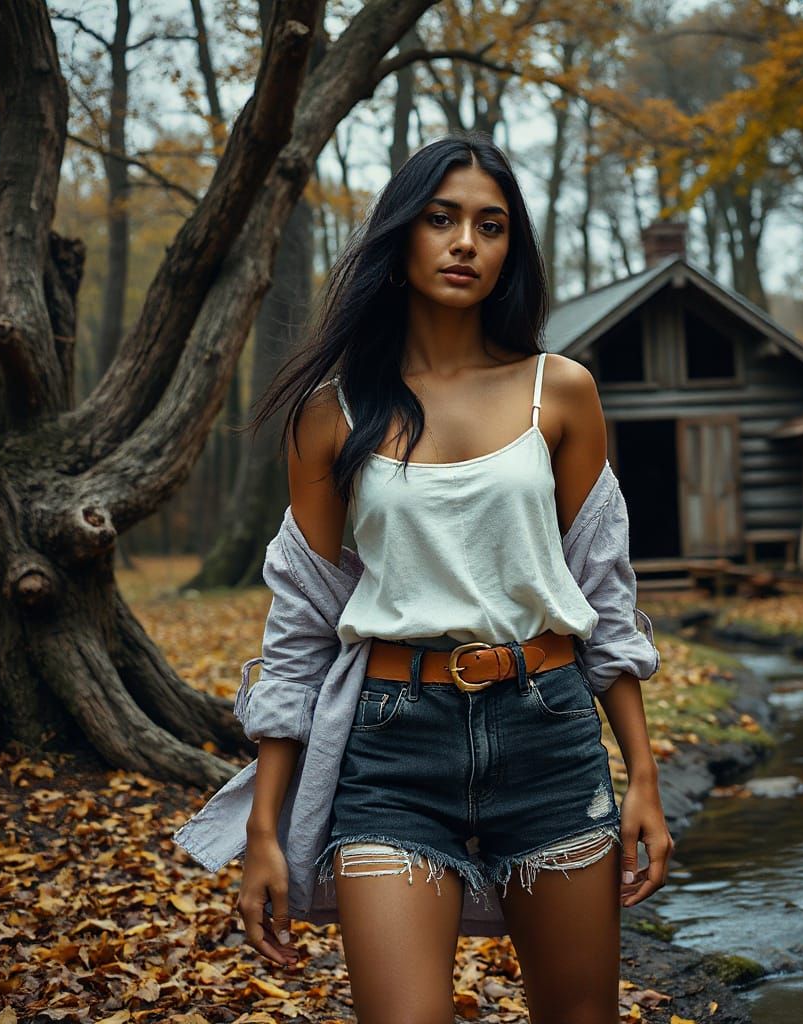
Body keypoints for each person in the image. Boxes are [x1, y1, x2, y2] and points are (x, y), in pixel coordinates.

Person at [231, 130, 673, 1023]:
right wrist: (264, 830)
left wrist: (643, 776)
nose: (467, 241)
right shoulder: (332, 414)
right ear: (402, 239)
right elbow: (300, 635)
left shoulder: (563, 391)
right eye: (442, 219)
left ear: (512, 251)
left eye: (492, 224)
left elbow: (605, 599)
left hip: (547, 734)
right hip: (392, 749)